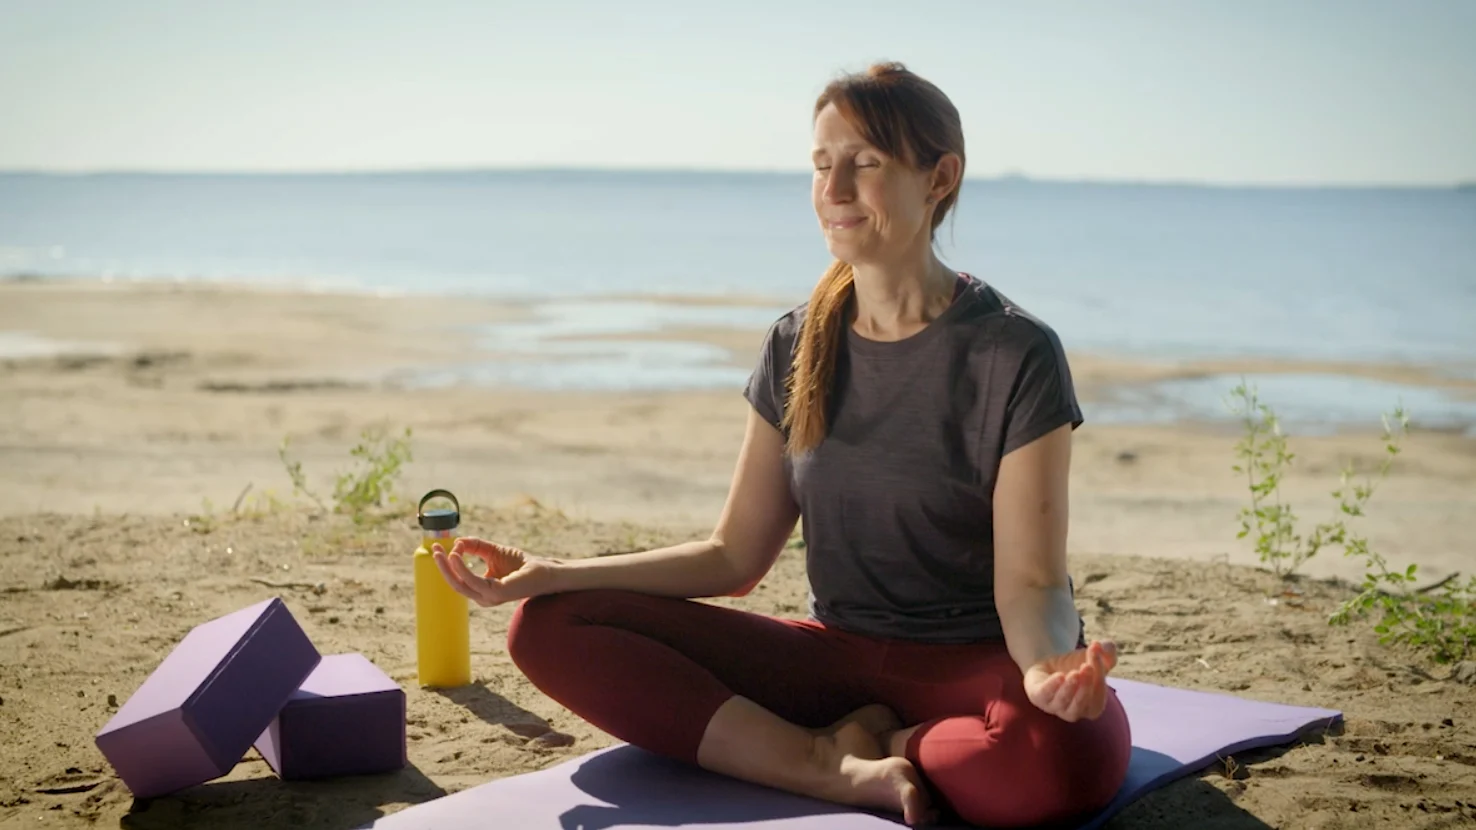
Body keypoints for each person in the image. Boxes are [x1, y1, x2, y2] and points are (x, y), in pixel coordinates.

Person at [432, 61, 1131, 828]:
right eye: (821, 164)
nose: (834, 191)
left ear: (939, 179)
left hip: (973, 667)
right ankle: (819, 765)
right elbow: (734, 556)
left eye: (864, 164)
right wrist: (553, 574)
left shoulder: (1014, 353)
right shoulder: (796, 343)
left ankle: (889, 739)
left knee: (1067, 759)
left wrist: (1043, 675)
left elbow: (1031, 585)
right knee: (552, 625)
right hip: (830, 660)